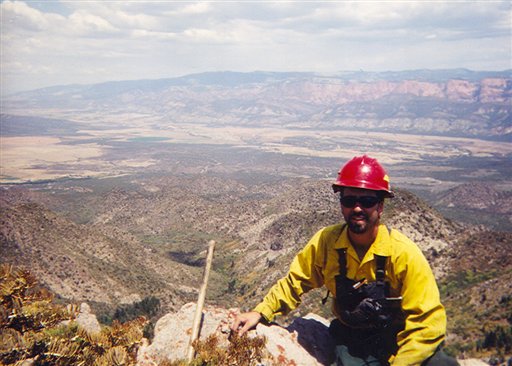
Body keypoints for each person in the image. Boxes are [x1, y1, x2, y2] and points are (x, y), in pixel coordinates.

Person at [231, 155, 459, 366]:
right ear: (341, 203)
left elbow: (428, 322)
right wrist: (261, 312)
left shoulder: (403, 254)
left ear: (380, 206)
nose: (357, 208)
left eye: (367, 200)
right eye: (349, 200)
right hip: (352, 340)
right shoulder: (326, 243)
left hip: (399, 339)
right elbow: (295, 282)